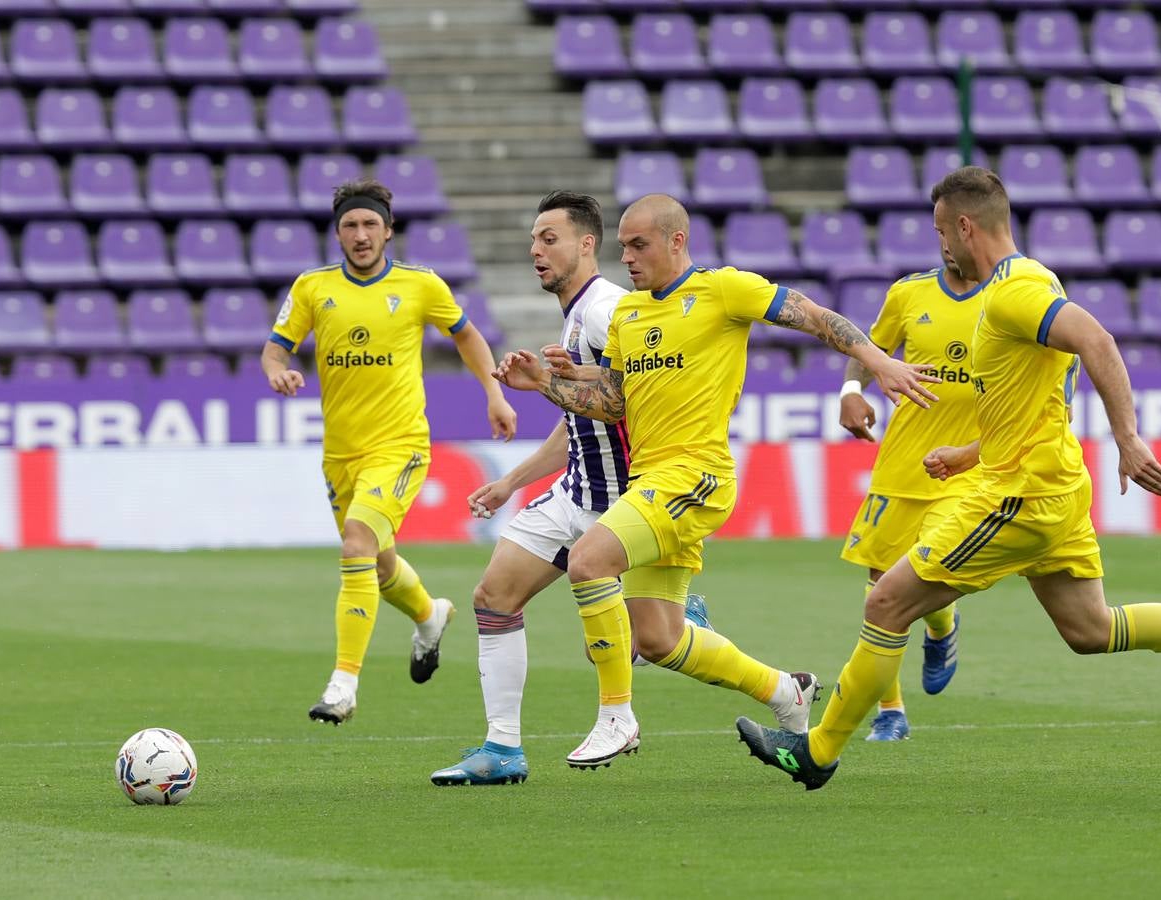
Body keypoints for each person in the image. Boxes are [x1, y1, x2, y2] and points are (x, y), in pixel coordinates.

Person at [737, 166, 1161, 790]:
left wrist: (1127, 436)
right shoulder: (1028, 283)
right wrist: (970, 452)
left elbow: (1099, 340)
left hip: (1019, 495)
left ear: (963, 225)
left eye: (940, 232)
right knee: (1091, 630)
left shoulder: (1014, 290)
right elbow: (1035, 401)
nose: (940, 247)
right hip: (1048, 484)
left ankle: (818, 751)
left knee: (886, 602)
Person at [494, 193, 941, 769]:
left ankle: (615, 717)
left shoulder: (723, 289)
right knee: (659, 638)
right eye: (623, 246)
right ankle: (787, 691)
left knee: (587, 561)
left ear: (676, 240)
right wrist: (547, 384)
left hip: (696, 476)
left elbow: (811, 315)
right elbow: (613, 401)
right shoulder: (630, 315)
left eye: (639, 244)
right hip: (650, 482)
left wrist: (877, 365)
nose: (626, 257)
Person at [429, 191, 710, 787]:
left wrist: (546, 386)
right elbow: (580, 417)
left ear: (587, 244)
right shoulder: (579, 314)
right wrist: (511, 481)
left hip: (621, 503)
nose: (536, 251)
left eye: (548, 239)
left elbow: (628, 402)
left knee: (649, 644)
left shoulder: (609, 311)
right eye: (532, 240)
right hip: (576, 493)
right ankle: (502, 750)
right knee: (494, 597)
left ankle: (760, 674)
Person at [262, 177, 518, 725]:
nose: (360, 234)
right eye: (350, 225)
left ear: (388, 229)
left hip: (400, 446)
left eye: (369, 224)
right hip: (341, 455)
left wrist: (493, 393)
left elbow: (467, 335)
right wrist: (279, 371)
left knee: (357, 543)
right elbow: (275, 348)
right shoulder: (312, 288)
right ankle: (430, 616)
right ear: (337, 233)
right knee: (376, 565)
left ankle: (343, 685)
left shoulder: (420, 285)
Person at [837, 248, 980, 741]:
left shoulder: (1012, 297)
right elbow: (867, 350)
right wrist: (851, 392)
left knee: (927, 569)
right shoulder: (909, 292)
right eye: (938, 230)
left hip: (966, 469)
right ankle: (891, 712)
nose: (945, 243)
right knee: (881, 588)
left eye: (950, 230)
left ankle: (941, 626)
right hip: (901, 466)